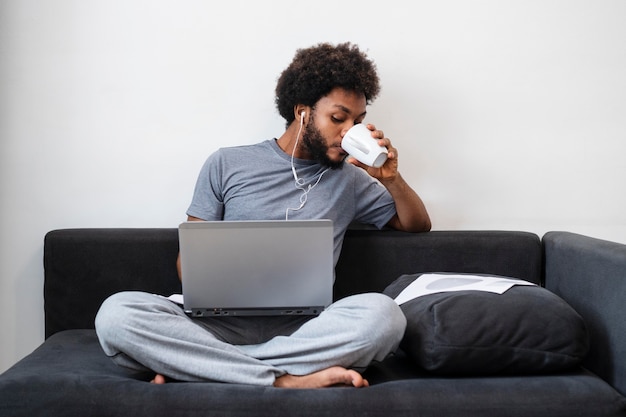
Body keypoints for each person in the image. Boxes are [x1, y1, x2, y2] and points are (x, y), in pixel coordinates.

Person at [95, 42, 431, 389]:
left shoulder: (350, 181)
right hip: (215, 325)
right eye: (338, 118)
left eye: (357, 122)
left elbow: (416, 224)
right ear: (302, 112)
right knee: (117, 314)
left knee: (384, 315)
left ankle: (214, 369)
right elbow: (186, 268)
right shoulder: (227, 163)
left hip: (305, 329)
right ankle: (283, 380)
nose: (349, 131)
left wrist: (391, 179)